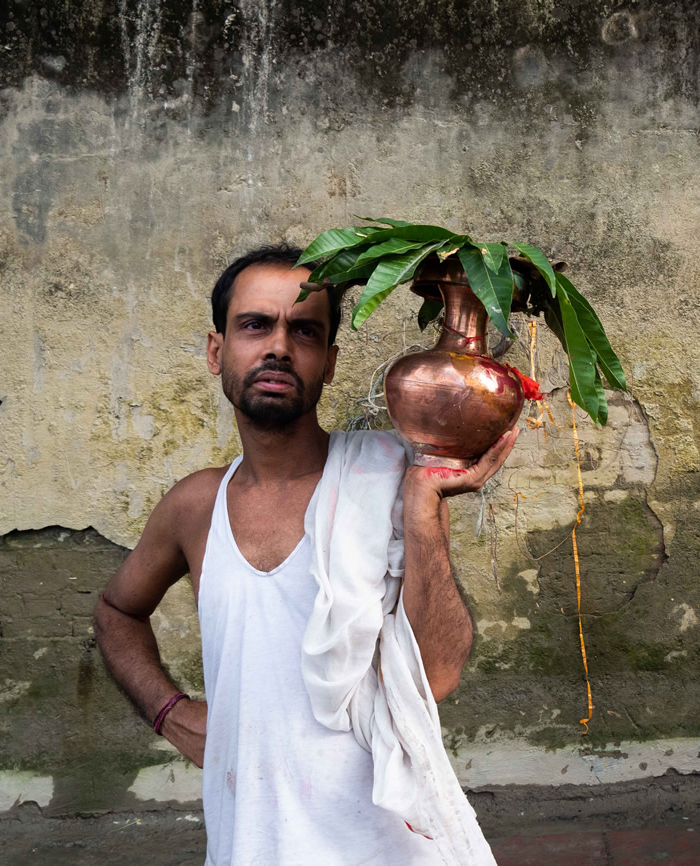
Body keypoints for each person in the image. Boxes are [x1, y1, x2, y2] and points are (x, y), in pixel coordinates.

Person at [93, 244, 517, 864]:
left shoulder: (386, 476)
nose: (279, 347)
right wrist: (171, 712)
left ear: (330, 362)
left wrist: (424, 505)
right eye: (255, 325)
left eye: (305, 331)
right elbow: (115, 612)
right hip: (251, 842)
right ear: (218, 351)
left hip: (384, 847)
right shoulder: (195, 507)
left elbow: (439, 675)